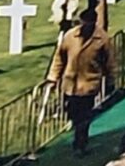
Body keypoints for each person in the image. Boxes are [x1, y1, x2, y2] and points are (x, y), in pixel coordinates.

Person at [47, 10, 118, 157]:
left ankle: (80, 143)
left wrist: (111, 80)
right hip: (70, 84)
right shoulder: (70, 36)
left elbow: (109, 62)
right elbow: (59, 58)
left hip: (89, 84)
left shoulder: (102, 39)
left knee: (84, 116)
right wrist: (53, 77)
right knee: (73, 114)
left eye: (89, 23)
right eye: (84, 22)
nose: (86, 25)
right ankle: (77, 136)